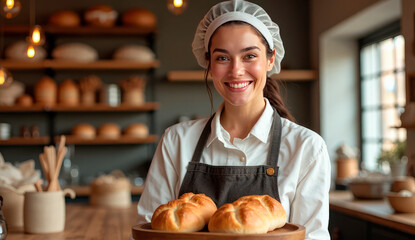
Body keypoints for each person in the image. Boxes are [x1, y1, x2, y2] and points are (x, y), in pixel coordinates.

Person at [137, 0, 331, 239]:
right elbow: (149, 231)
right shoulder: (176, 140)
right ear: (209, 63)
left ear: (270, 60)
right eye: (222, 58)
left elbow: (312, 237)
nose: (236, 71)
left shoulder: (306, 147)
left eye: (249, 55)